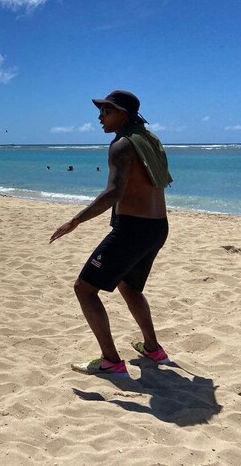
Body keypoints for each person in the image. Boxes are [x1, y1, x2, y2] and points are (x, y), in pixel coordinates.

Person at [50, 90, 172, 376]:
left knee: (84, 288)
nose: (99, 117)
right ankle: (153, 348)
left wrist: (76, 220)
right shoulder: (150, 140)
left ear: (122, 115)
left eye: (106, 111)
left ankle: (111, 361)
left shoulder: (121, 145)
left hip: (133, 229)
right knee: (129, 286)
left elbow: (114, 192)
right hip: (158, 226)